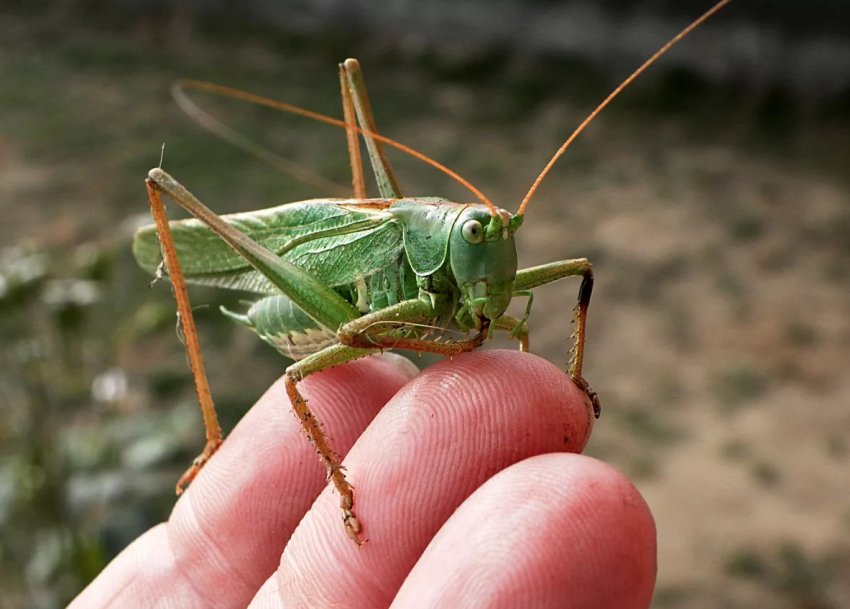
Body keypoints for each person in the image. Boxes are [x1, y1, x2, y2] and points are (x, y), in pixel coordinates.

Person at [68, 350, 656, 608]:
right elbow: (303, 374)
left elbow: (577, 276)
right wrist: (342, 487)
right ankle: (214, 440)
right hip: (320, 304)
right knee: (302, 379)